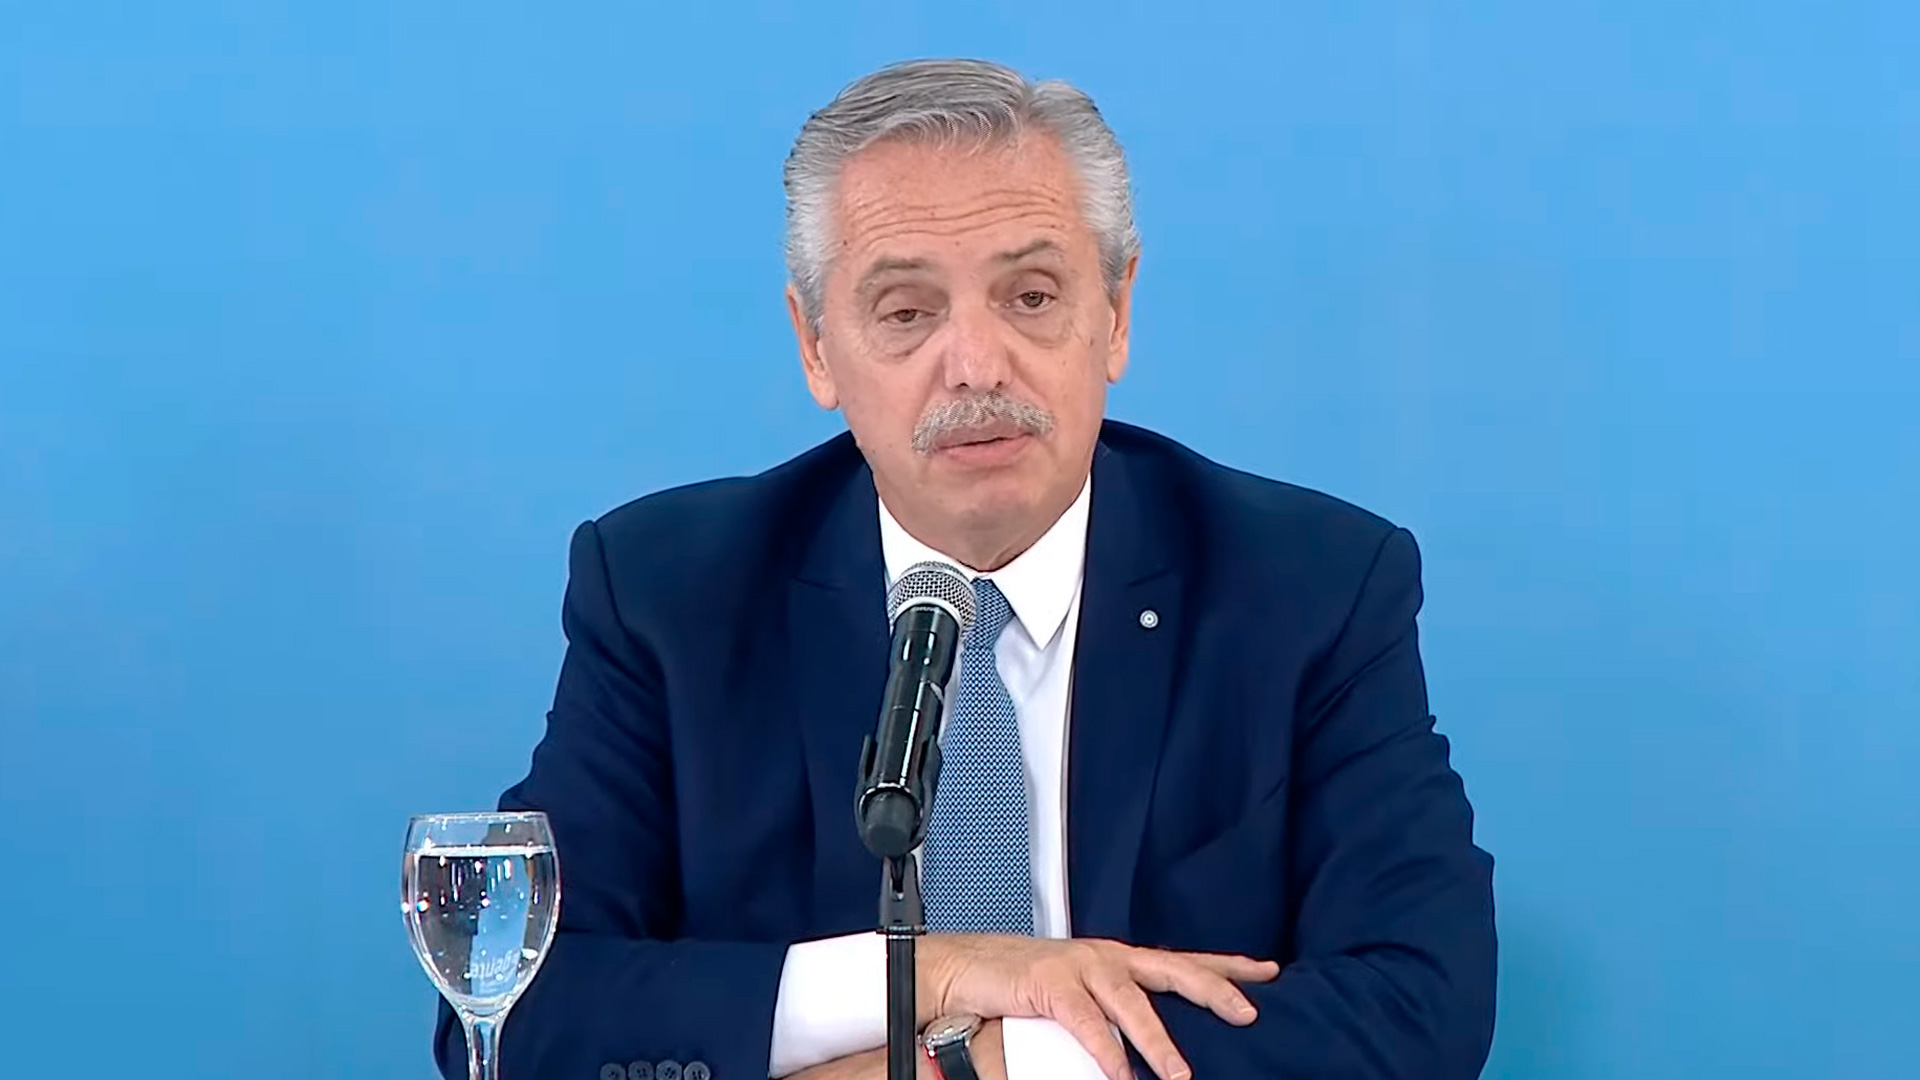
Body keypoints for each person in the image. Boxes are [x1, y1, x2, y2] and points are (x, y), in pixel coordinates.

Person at [435, 58, 1495, 1080]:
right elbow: (507, 1007)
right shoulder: (671, 596)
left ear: (1116, 315)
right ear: (816, 347)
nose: (978, 366)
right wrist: (933, 973)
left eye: (1031, 296)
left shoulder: (1306, 587)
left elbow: (1420, 1001)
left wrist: (987, 1063)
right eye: (907, 312)